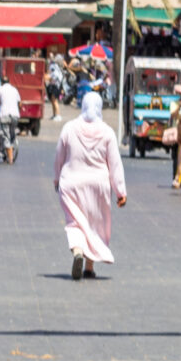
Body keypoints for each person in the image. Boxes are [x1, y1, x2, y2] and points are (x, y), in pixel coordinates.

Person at [54, 88, 126, 280]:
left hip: (71, 183)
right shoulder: (107, 132)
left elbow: (59, 156)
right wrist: (120, 192)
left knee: (75, 221)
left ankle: (78, 250)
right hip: (98, 186)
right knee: (94, 222)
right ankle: (89, 267)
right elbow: (115, 164)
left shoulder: (69, 127)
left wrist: (56, 178)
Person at [0, 72, 23, 164]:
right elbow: (20, 104)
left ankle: (10, 158)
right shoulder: (14, 89)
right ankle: (9, 150)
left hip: (4, 115)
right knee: (11, 134)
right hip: (15, 116)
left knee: (4, 135)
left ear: (2, 82)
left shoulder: (0, 89)